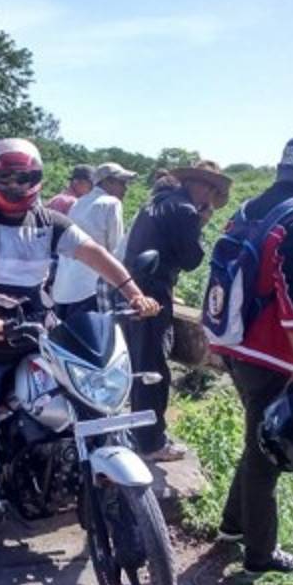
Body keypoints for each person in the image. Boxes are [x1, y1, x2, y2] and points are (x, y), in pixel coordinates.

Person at [0, 137, 162, 559]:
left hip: (38, 327)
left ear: (37, 179)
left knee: (87, 402)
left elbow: (94, 252)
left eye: (23, 176)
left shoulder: (51, 222)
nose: (15, 184)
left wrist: (133, 292)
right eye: (5, 176)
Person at [210, 135, 293, 574]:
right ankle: (261, 557)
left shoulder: (249, 209)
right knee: (268, 456)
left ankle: (231, 527)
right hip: (272, 354)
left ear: (281, 168)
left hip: (234, 341)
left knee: (255, 441)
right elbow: (292, 292)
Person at [124, 160, 231, 463]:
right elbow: (191, 259)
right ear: (205, 187)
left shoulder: (157, 202)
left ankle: (140, 431)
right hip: (154, 292)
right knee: (154, 368)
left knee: (141, 363)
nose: (209, 198)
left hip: (133, 287)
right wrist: (202, 221)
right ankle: (152, 442)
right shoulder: (185, 211)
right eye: (210, 191)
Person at [50, 162, 135, 320]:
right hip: (89, 290)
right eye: (121, 183)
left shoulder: (79, 202)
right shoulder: (111, 203)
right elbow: (116, 252)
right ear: (107, 181)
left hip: (63, 290)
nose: (125, 189)